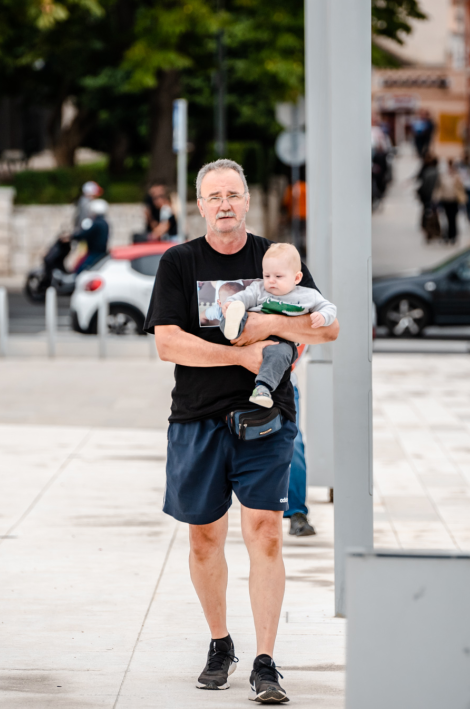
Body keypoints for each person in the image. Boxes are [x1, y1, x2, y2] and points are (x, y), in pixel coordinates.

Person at [145, 158, 339, 703]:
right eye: (214, 196)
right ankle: (220, 642)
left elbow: (329, 326)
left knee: (267, 533)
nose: (224, 204)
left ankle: (265, 660)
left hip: (267, 420)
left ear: (248, 201)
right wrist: (243, 358)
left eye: (233, 194)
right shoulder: (179, 263)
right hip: (197, 419)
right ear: (200, 205)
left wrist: (269, 326)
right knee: (205, 537)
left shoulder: (274, 259)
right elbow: (167, 343)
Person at [219, 242, 336, 409]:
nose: (271, 281)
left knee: (281, 354)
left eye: (278, 277)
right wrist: (230, 303)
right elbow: (243, 297)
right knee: (238, 312)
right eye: (267, 276)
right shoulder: (259, 289)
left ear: (296, 278)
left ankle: (262, 389)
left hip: (281, 340)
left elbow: (330, 307)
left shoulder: (307, 295)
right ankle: (231, 327)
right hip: (248, 332)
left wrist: (323, 316)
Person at [285, 377, 315, 536]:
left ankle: (297, 513)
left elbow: (300, 350)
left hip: (281, 384)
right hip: (228, 385)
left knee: (293, 443)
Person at [71, 199, 109, 272]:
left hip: (94, 252)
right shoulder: (103, 222)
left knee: (80, 269)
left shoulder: (97, 223)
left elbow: (85, 234)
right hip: (99, 251)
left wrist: (73, 236)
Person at [435, 160, 466, 244]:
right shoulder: (443, 176)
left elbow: (461, 188)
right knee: (446, 219)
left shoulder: (457, 177)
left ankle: (453, 236)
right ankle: (447, 235)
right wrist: (436, 198)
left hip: (454, 201)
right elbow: (439, 188)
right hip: (445, 200)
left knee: (453, 219)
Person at [416, 153, 441, 242]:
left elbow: (423, 185)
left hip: (427, 196)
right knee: (431, 214)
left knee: (427, 213)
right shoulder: (435, 173)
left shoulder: (428, 172)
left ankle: (429, 229)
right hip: (431, 197)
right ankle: (431, 230)